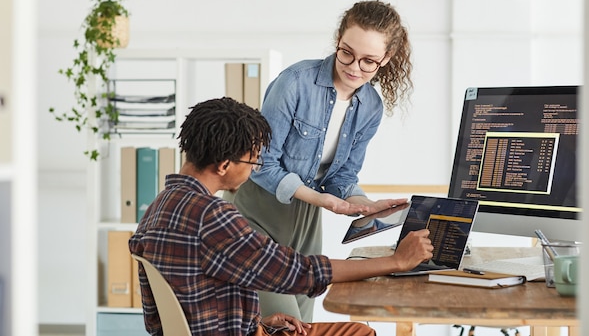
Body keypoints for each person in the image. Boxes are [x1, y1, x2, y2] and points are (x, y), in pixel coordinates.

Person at [129, 97, 433, 336]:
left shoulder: (156, 209)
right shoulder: (212, 216)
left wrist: (256, 325)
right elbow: (297, 273)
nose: (255, 169)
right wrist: (397, 261)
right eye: (251, 161)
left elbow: (171, 316)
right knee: (358, 333)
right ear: (224, 165)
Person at [224, 0, 414, 321]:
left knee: (304, 324)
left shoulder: (371, 106)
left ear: (386, 60)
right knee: (284, 324)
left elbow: (342, 178)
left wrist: (365, 205)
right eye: (347, 53)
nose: (354, 67)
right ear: (338, 40)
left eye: (369, 61)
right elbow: (261, 163)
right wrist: (322, 200)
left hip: (306, 224)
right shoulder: (295, 83)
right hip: (256, 215)